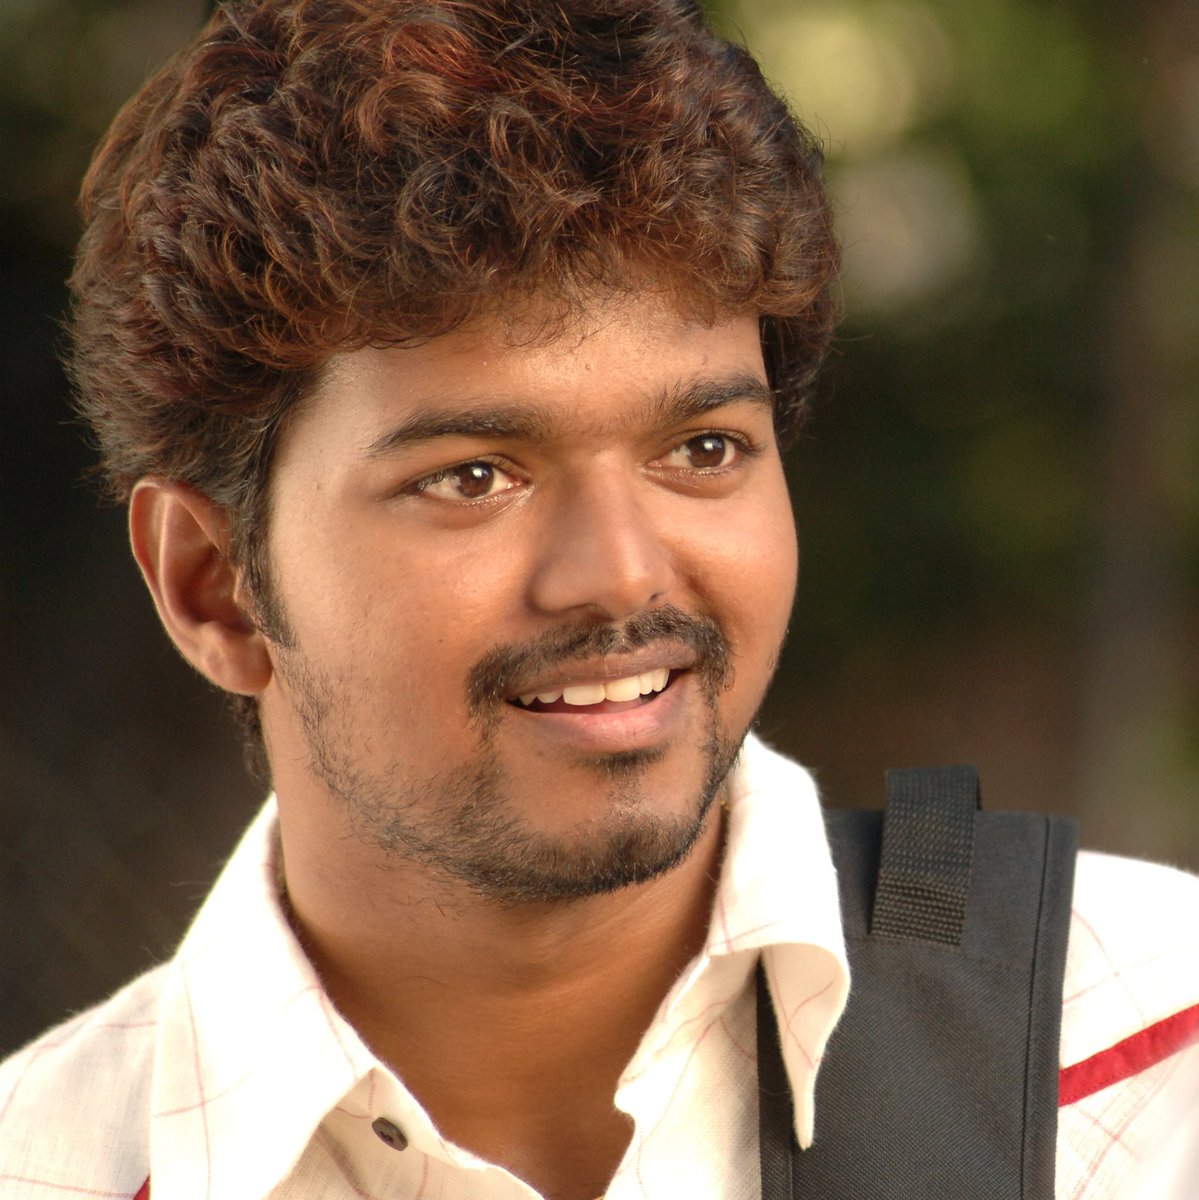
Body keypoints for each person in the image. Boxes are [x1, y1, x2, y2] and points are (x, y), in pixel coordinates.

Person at [2, 2, 1196, 1197]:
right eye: (473, 477)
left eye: (702, 449)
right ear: (213, 588)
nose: (622, 571)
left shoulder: (1156, 1073)